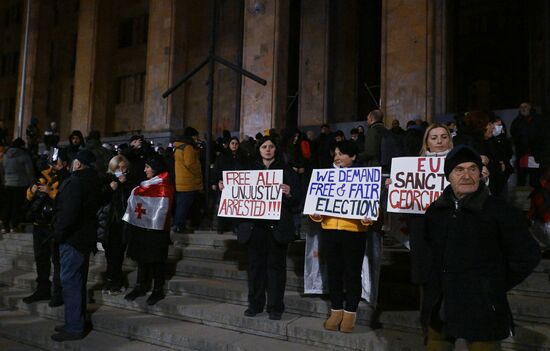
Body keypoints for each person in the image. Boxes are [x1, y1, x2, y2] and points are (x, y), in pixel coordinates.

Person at [421, 145, 540, 350]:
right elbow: (426, 250)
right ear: (448, 176)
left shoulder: (500, 211)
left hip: (481, 308)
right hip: (441, 307)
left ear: (481, 173)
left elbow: (527, 255)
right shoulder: (435, 211)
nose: (466, 175)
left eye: (472, 169)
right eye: (459, 170)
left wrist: (493, 284)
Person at [224, 136, 299, 320]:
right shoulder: (249, 171)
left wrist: (289, 193)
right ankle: (255, 304)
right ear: (259, 149)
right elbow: (238, 195)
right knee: (255, 268)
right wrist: (226, 189)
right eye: (264, 146)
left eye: (271, 146)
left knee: (276, 269)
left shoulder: (286, 171)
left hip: (277, 228)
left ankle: (275, 307)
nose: (268, 149)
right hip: (254, 227)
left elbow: (297, 202)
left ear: (276, 149)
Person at [310, 140, 375, 333]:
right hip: (330, 230)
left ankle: (350, 311)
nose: (337, 157)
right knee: (334, 271)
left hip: (354, 232)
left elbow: (373, 209)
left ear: (353, 156)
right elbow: (316, 204)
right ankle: (336, 309)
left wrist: (367, 218)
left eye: (342, 153)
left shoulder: (365, 177)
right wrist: (316, 214)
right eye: (336, 153)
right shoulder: (324, 176)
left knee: (352, 272)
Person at [51, 150, 102, 342]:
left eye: (74, 162)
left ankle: (74, 327)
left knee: (71, 283)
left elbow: (69, 214)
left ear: (78, 164)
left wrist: (58, 234)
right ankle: (76, 321)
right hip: (84, 238)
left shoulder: (76, 183)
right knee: (77, 282)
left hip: (72, 239)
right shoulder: (93, 181)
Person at [22, 148, 70, 307]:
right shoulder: (44, 174)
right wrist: (32, 190)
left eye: (57, 162)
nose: (54, 165)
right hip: (39, 224)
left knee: (56, 261)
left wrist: (50, 192)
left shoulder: (66, 177)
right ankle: (42, 289)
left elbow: (65, 201)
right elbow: (29, 196)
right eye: (53, 162)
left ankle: (58, 293)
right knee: (41, 259)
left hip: (53, 225)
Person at [123, 154, 174, 305]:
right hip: (142, 229)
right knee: (142, 259)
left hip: (157, 231)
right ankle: (140, 286)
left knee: (157, 260)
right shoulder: (144, 186)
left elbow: (163, 208)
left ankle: (158, 289)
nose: (145, 170)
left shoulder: (164, 187)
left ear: (156, 169)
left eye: (147, 167)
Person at [99, 155, 138, 294]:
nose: (120, 170)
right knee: (110, 254)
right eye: (117, 167)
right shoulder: (106, 180)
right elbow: (100, 199)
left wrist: (125, 184)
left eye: (123, 167)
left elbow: (133, 200)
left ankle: (115, 282)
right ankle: (113, 280)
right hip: (108, 223)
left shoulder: (130, 181)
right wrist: (111, 188)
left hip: (122, 223)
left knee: (118, 253)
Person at [212, 137, 248, 233]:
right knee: (223, 205)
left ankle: (235, 226)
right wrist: (217, 182)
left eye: (236, 143)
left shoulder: (242, 156)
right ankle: (221, 227)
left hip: (238, 185)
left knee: (236, 206)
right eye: (232, 143)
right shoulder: (223, 156)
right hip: (225, 185)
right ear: (229, 144)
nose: (234, 145)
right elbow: (217, 169)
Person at [1, 138, 35, 233]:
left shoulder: (5, 156)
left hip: (7, 184)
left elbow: (2, 170)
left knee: (7, 205)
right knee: (17, 205)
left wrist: (4, 181)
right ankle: (14, 225)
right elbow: (30, 171)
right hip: (20, 184)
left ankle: (5, 225)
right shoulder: (24, 155)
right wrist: (32, 182)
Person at [173, 127, 203, 233]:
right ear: (192, 136)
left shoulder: (179, 147)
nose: (197, 139)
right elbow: (190, 164)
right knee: (184, 205)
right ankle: (179, 226)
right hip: (188, 181)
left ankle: (178, 225)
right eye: (196, 136)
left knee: (181, 204)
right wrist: (198, 173)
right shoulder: (188, 147)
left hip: (180, 181)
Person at [510, 102, 540, 187]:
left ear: (530, 107)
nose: (523, 108)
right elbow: (513, 133)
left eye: (525, 106)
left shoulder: (537, 119)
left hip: (535, 152)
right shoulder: (516, 121)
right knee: (521, 173)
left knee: (535, 174)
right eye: (521, 107)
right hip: (521, 152)